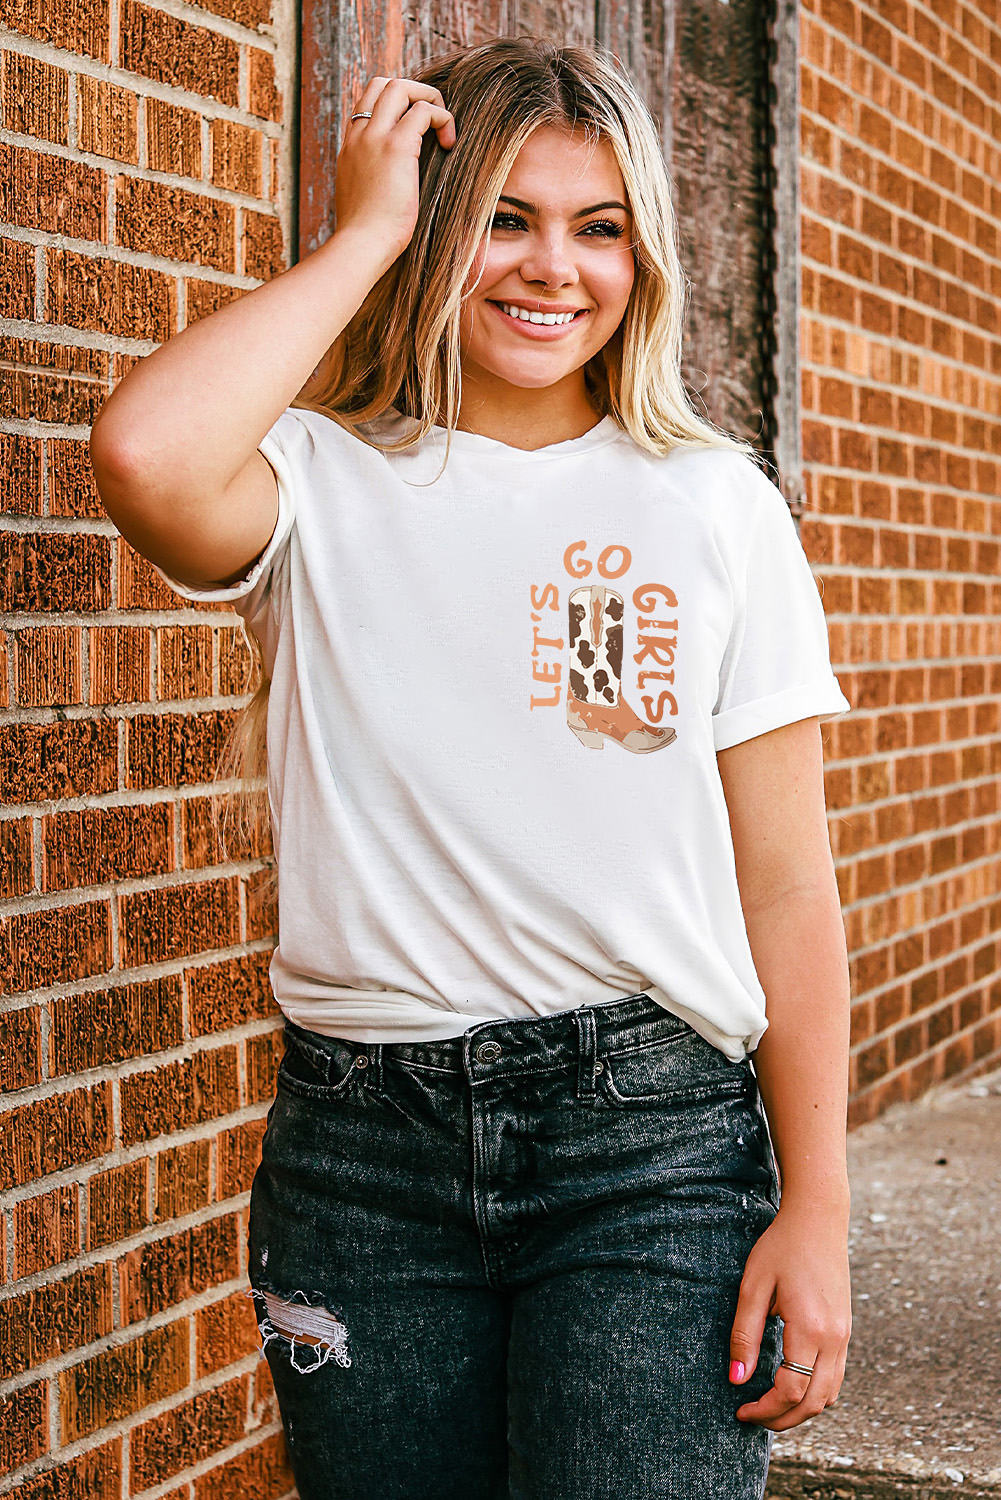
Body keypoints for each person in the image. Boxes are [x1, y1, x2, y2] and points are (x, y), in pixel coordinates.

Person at [90, 37, 852, 1500]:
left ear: (645, 255)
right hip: (360, 1159)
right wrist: (369, 229)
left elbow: (788, 884)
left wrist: (814, 1208)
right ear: (443, 234)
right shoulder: (317, 479)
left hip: (648, 1151)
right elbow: (142, 452)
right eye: (502, 215)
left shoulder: (712, 505)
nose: (550, 267)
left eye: (598, 225)